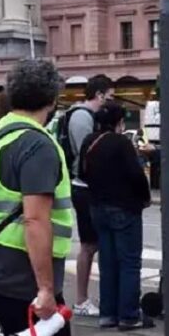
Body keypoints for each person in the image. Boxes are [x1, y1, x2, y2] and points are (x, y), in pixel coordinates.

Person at [0, 59, 99, 336]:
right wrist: (45, 288)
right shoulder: (36, 144)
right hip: (21, 269)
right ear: (53, 99)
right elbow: (36, 219)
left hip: (1, 262)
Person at [81, 102, 152, 330]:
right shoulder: (121, 143)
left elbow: (82, 172)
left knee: (108, 261)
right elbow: (136, 174)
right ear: (119, 122)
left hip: (97, 207)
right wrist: (145, 197)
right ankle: (129, 315)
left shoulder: (89, 141)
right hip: (124, 207)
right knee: (129, 262)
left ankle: (108, 314)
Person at [64, 74, 115, 317]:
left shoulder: (80, 115)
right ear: (99, 95)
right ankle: (81, 299)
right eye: (110, 96)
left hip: (85, 185)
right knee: (89, 245)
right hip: (84, 186)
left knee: (94, 244)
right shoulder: (83, 117)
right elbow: (87, 154)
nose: (111, 101)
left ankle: (87, 298)